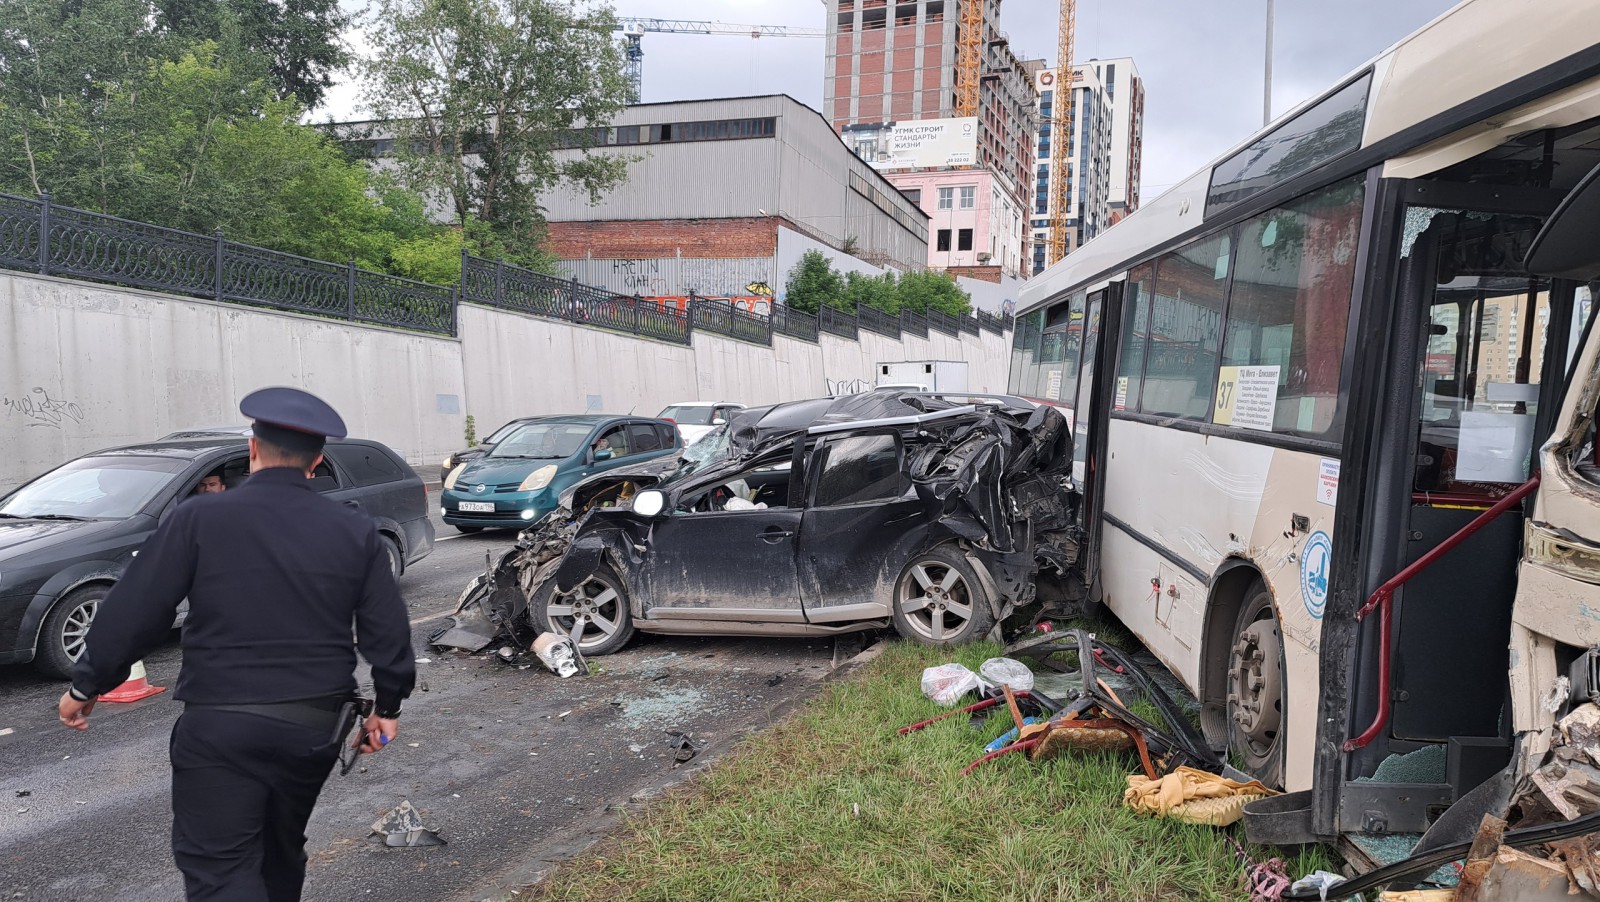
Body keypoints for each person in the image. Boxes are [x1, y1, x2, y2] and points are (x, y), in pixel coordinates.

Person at [58, 387, 416, 902]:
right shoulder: (354, 529)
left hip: (220, 727)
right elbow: (387, 629)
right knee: (280, 850)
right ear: (317, 462)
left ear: (252, 449)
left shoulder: (199, 519)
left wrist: (87, 682)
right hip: (313, 729)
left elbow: (136, 609)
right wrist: (387, 706)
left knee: (220, 868)